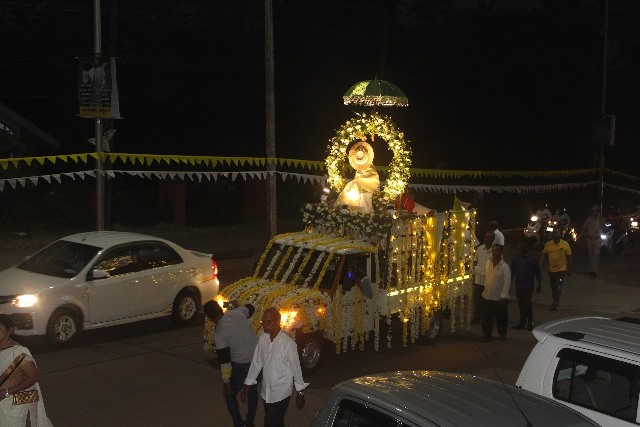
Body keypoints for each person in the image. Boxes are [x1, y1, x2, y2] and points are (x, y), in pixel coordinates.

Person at [241, 307, 308, 427]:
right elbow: (257, 362)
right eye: (264, 322)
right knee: (276, 422)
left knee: (270, 422)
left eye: (268, 322)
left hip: (281, 393)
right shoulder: (262, 339)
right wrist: (247, 387)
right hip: (266, 392)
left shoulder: (288, 344)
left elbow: (296, 369)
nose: (265, 325)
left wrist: (300, 393)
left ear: (277, 322)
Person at [204, 301, 258, 427]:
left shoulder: (219, 333)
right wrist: (238, 306)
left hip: (241, 363)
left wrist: (226, 381)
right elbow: (250, 308)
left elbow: (225, 360)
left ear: (210, 318)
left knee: (229, 395)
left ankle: (238, 424)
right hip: (257, 359)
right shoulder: (238, 312)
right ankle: (250, 422)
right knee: (252, 391)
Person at [0, 314, 53, 427]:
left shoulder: (18, 351)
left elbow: (33, 377)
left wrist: (7, 392)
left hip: (11, 404)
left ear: (9, 331)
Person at [479, 244, 511, 342]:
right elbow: (484, 272)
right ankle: (486, 335)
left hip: (498, 298)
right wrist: (473, 269)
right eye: (493, 250)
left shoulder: (504, 267)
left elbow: (507, 283)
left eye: (496, 250)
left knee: (501, 317)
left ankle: (502, 333)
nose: (494, 252)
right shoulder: (488, 262)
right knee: (486, 318)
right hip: (487, 295)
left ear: (501, 252)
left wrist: (503, 297)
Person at [510, 238, 542, 331]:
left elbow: (537, 272)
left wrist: (539, 284)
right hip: (518, 284)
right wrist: (509, 282)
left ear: (528, 247)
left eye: (524, 246)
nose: (522, 247)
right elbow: (512, 270)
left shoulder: (533, 258)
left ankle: (530, 323)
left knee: (527, 304)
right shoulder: (516, 257)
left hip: (528, 285)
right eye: (521, 246)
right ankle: (522, 323)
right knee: (520, 304)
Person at [540, 229, 572, 311]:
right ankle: (555, 299)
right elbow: (544, 254)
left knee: (558, 285)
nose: (556, 235)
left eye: (557, 233)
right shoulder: (548, 244)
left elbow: (569, 257)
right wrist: (540, 262)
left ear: (560, 235)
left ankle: (555, 302)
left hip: (561, 269)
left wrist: (569, 268)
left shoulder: (565, 244)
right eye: (554, 233)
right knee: (553, 286)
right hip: (551, 269)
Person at [472, 231, 495, 324]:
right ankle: (477, 317)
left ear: (493, 239)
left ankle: (487, 319)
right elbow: (475, 261)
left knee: (487, 302)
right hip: (478, 281)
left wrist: (476, 269)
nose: (487, 239)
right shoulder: (480, 249)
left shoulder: (495, 251)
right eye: (486, 237)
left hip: (488, 281)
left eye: (489, 238)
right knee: (477, 300)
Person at [580, 204, 605, 277]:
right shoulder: (589, 219)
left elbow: (603, 226)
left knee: (596, 255)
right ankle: (592, 270)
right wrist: (581, 234)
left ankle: (595, 271)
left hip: (597, 239)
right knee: (591, 255)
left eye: (595, 211)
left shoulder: (600, 219)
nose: (593, 212)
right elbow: (584, 228)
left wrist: (600, 218)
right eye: (592, 211)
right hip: (589, 238)